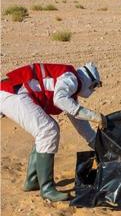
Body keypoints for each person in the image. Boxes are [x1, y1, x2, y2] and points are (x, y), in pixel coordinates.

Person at [0, 62, 107, 202]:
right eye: (94, 86)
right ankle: (47, 188)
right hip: (12, 93)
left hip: (12, 93)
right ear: (88, 80)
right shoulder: (71, 78)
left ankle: (33, 181)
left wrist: (101, 147)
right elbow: (59, 100)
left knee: (45, 131)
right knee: (48, 130)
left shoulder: (71, 91)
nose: (92, 90)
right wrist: (95, 116)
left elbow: (83, 128)